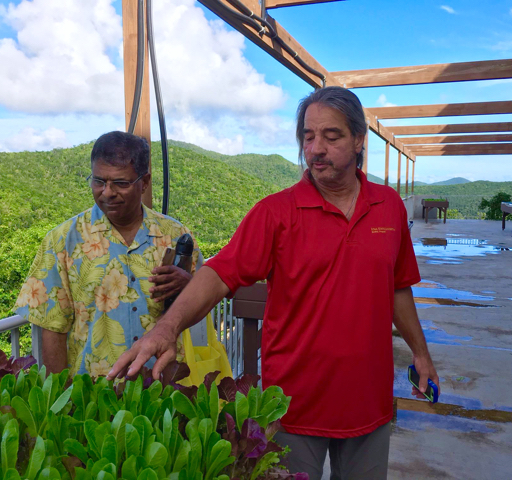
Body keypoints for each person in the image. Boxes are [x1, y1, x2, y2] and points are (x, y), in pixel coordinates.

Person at [107, 87, 439, 479]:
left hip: (368, 401)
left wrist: (421, 353)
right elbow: (218, 273)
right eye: (308, 136)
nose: (316, 149)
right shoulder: (276, 213)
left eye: (331, 137)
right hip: (292, 407)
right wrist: (166, 327)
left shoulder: (389, 207)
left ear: (359, 141)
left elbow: (398, 287)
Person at [15, 131, 201, 377]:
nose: (107, 192)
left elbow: (204, 300)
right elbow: (52, 327)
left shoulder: (176, 236)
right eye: (99, 181)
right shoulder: (62, 241)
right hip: (91, 401)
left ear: (144, 182)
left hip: (162, 396)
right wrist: (59, 400)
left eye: (121, 183)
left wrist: (190, 285)